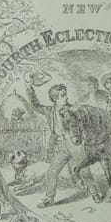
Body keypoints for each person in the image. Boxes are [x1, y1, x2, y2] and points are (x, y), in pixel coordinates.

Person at [23, 79, 73, 208]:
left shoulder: (73, 109)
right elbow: (35, 106)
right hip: (61, 146)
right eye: (63, 96)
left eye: (65, 94)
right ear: (55, 99)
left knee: (84, 170)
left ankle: (94, 193)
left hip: (75, 145)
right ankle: (49, 199)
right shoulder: (49, 111)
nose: (66, 97)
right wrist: (30, 89)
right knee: (52, 171)